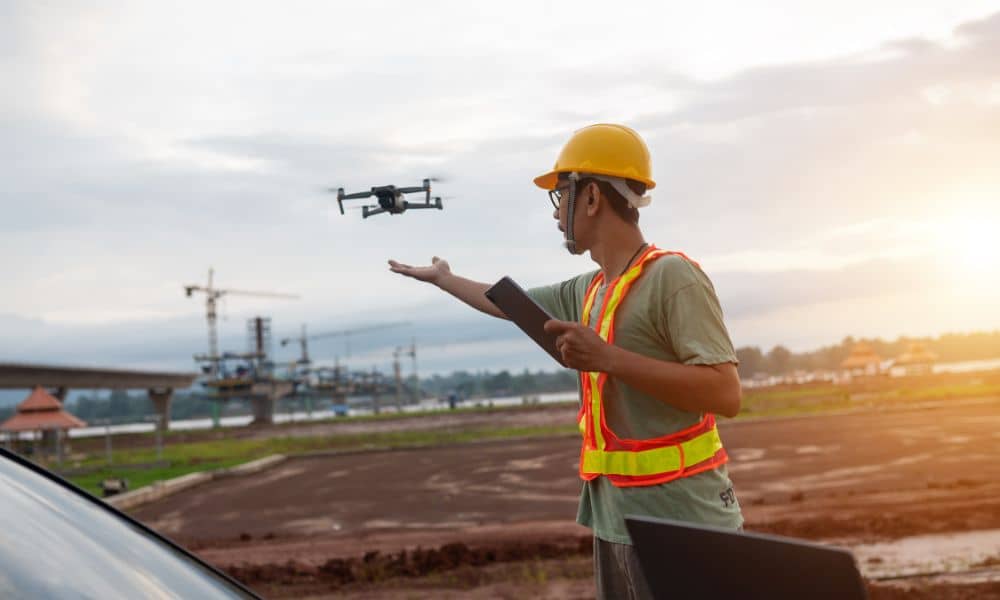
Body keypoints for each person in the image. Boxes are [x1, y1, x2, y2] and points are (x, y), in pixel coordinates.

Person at [389, 123, 743, 599]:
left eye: (561, 197)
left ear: (592, 197)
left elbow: (725, 392)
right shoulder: (590, 290)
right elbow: (506, 304)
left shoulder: (674, 278)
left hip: (687, 529)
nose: (557, 215)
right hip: (617, 524)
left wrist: (608, 359)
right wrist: (443, 279)